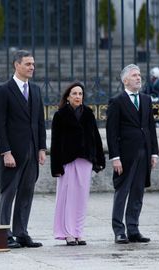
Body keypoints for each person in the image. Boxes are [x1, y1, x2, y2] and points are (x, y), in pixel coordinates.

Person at [0, 50, 46, 249]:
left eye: (33, 64)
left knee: (26, 192)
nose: (32, 67)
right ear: (17, 65)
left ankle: (21, 232)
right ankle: (5, 234)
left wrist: (41, 147)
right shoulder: (3, 90)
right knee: (9, 193)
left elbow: (40, 121)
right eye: (28, 64)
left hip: (32, 151)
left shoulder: (36, 90)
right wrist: (5, 152)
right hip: (12, 152)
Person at [106, 64, 159, 244]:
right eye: (134, 75)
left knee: (138, 192)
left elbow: (150, 127)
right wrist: (115, 157)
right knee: (122, 191)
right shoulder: (117, 101)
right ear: (125, 80)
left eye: (139, 75)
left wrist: (154, 153)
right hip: (125, 155)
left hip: (144, 153)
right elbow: (111, 132)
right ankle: (119, 230)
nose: (139, 78)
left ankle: (133, 228)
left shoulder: (146, 99)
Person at [50, 81, 105, 246]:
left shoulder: (88, 113)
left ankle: (79, 232)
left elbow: (95, 137)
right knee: (67, 198)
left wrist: (99, 160)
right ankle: (68, 233)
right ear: (68, 96)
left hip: (85, 160)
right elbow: (55, 142)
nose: (77, 96)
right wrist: (56, 167)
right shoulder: (60, 115)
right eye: (74, 93)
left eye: (80, 94)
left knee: (81, 198)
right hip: (67, 161)